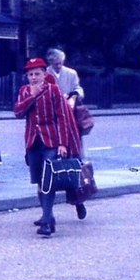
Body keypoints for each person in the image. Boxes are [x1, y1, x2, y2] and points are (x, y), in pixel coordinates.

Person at [13, 57, 82, 237]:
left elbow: (62, 118)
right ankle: (48, 216)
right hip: (32, 142)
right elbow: (18, 112)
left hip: (51, 141)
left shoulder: (53, 90)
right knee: (38, 181)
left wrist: (62, 143)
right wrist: (32, 96)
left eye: (37, 74)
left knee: (47, 181)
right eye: (30, 74)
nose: (34, 77)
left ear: (45, 74)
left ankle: (46, 220)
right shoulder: (24, 91)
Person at [46, 47, 88, 220]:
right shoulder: (45, 74)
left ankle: (79, 202)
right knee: (51, 169)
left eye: (60, 64)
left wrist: (73, 96)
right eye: (55, 64)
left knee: (73, 164)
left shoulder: (70, 73)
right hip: (52, 125)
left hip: (70, 124)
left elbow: (80, 89)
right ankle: (47, 214)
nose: (58, 67)